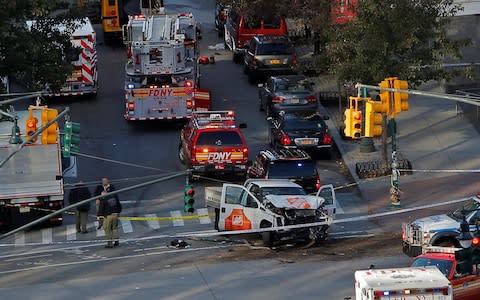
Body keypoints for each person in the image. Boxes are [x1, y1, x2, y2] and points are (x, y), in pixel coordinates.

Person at [96, 178, 122, 248]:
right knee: (114, 228)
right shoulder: (113, 197)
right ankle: (116, 240)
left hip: (108, 216)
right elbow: (119, 205)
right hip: (115, 214)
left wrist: (99, 216)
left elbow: (101, 209)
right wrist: (118, 212)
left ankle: (109, 243)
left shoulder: (103, 200)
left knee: (107, 229)